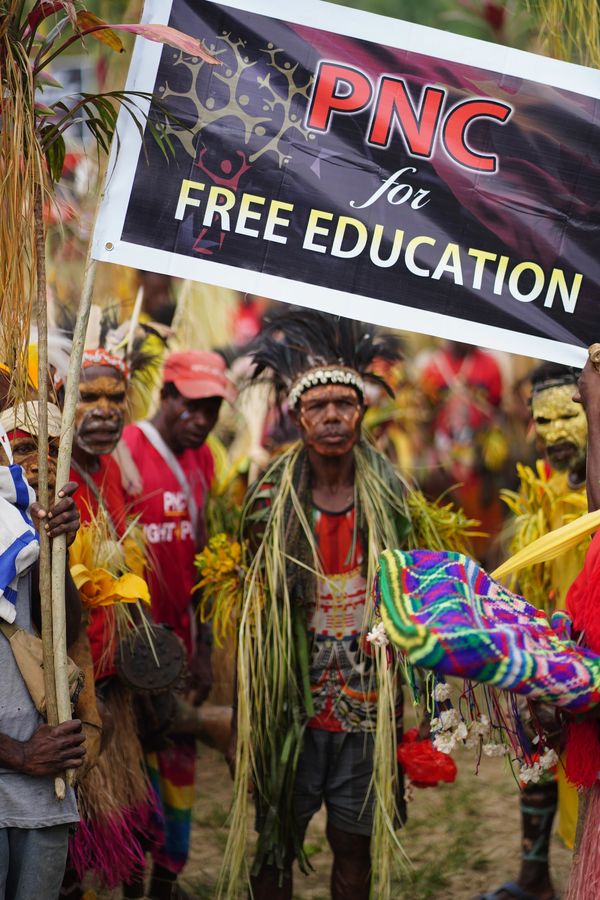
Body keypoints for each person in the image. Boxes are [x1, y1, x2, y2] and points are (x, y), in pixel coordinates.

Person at [221, 310, 476, 900]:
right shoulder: (269, 500)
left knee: (354, 853)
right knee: (273, 849)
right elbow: (252, 620)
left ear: (363, 412)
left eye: (345, 403)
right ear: (295, 413)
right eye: (318, 406)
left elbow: (421, 605)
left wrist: (427, 707)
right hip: (290, 708)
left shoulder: (391, 496)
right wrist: (245, 719)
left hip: (366, 714)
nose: (332, 416)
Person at [119, 349, 236, 900]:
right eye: (192, 405)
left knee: (178, 773)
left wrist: (206, 643)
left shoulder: (206, 458)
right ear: (166, 395)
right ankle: (132, 886)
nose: (202, 418)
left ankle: (166, 884)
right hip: (133, 651)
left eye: (212, 407)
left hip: (184, 643)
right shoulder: (126, 451)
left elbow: (207, 548)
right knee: (134, 777)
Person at [477, 361, 587, 900]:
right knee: (539, 754)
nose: (556, 433)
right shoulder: (539, 492)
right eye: (543, 421)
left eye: (571, 413)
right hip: (556, 654)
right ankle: (534, 876)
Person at [0, 408, 85, 900]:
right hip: (27, 762)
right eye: (26, 446)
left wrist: (59, 552)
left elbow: (62, 635)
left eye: (54, 447)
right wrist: (19, 753)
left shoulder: (23, 533)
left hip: (43, 790)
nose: (42, 462)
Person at [420, 340, 508, 567]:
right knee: (446, 549)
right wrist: (431, 461)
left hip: (480, 472)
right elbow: (422, 423)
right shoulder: (430, 367)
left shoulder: (490, 365)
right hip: (443, 474)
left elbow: (498, 415)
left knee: (486, 550)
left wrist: (490, 460)